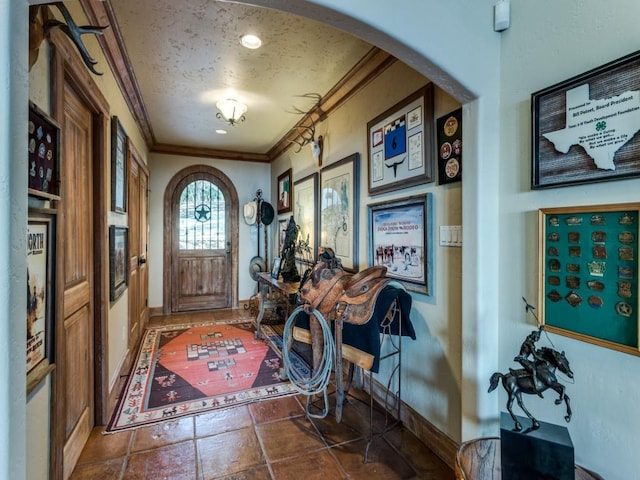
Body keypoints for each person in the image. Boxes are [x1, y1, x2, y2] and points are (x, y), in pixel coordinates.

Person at [514, 327, 546, 398]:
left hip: (525, 359)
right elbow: (535, 356)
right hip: (522, 359)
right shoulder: (530, 344)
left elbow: (537, 334)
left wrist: (540, 330)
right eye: (537, 337)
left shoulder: (529, 341)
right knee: (533, 370)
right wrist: (543, 360)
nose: (537, 339)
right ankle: (536, 388)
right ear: (534, 337)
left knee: (536, 367)